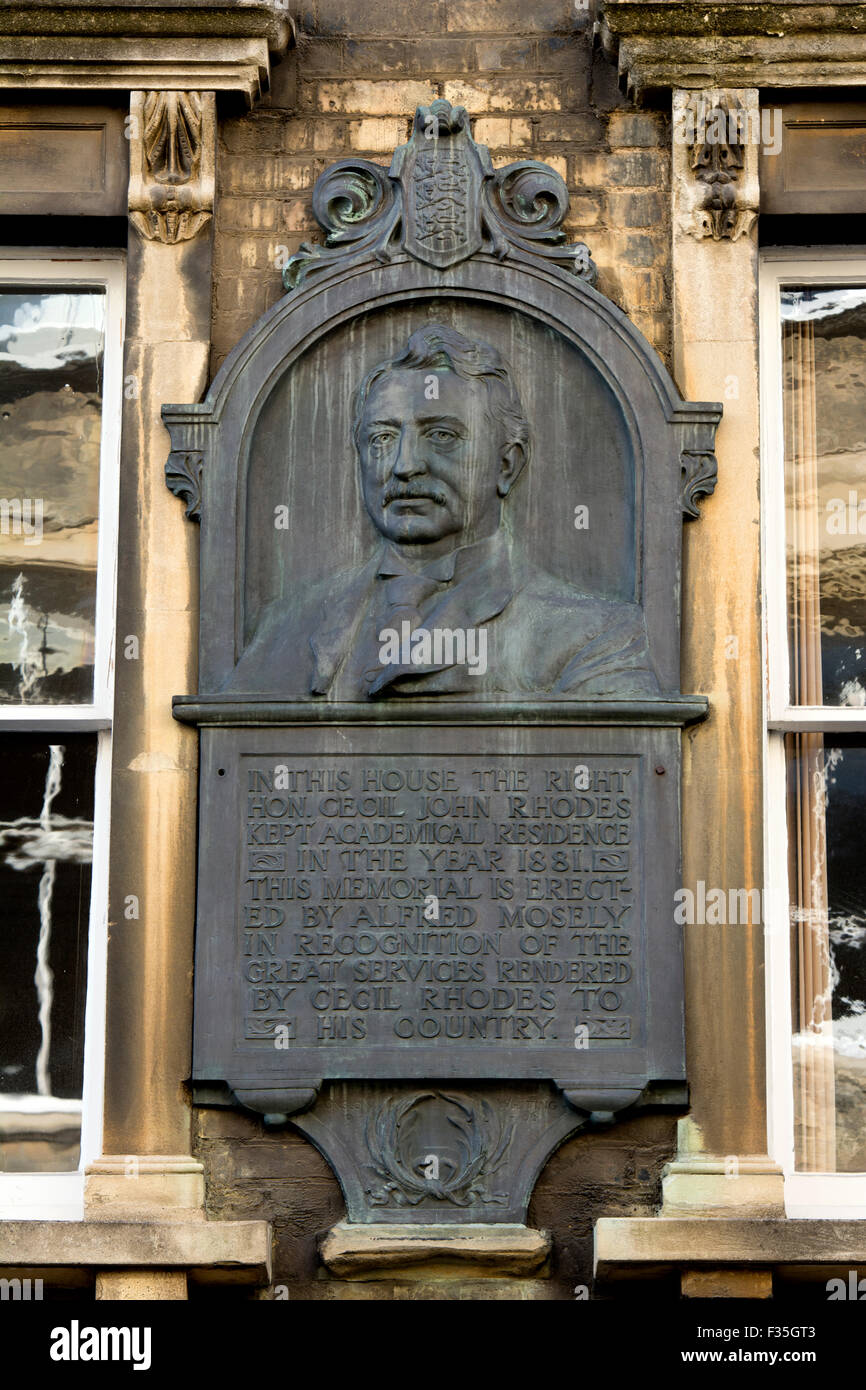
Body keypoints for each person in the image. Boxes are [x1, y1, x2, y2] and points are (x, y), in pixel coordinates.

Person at [227, 323, 659, 700]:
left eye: (441, 435)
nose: (404, 465)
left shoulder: (595, 638)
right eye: (382, 438)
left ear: (507, 464)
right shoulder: (283, 629)